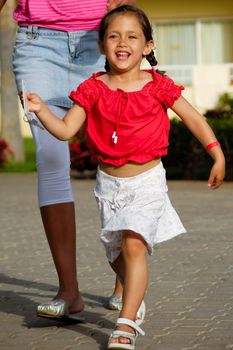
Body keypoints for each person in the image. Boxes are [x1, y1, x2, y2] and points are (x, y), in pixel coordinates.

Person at [24, 4, 225, 349]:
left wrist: (217, 153)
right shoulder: (93, 88)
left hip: (146, 182)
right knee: (115, 255)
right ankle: (135, 292)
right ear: (101, 45)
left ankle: (126, 325)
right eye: (113, 36)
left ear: (147, 45)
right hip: (109, 186)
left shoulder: (158, 86)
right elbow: (67, 130)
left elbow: (193, 118)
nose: (122, 42)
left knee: (134, 247)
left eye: (132, 36)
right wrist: (42, 111)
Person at [0, 0, 139, 319]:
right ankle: (69, 291)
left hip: (101, 39)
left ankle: (124, 276)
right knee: (50, 160)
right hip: (37, 43)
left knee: (118, 158)